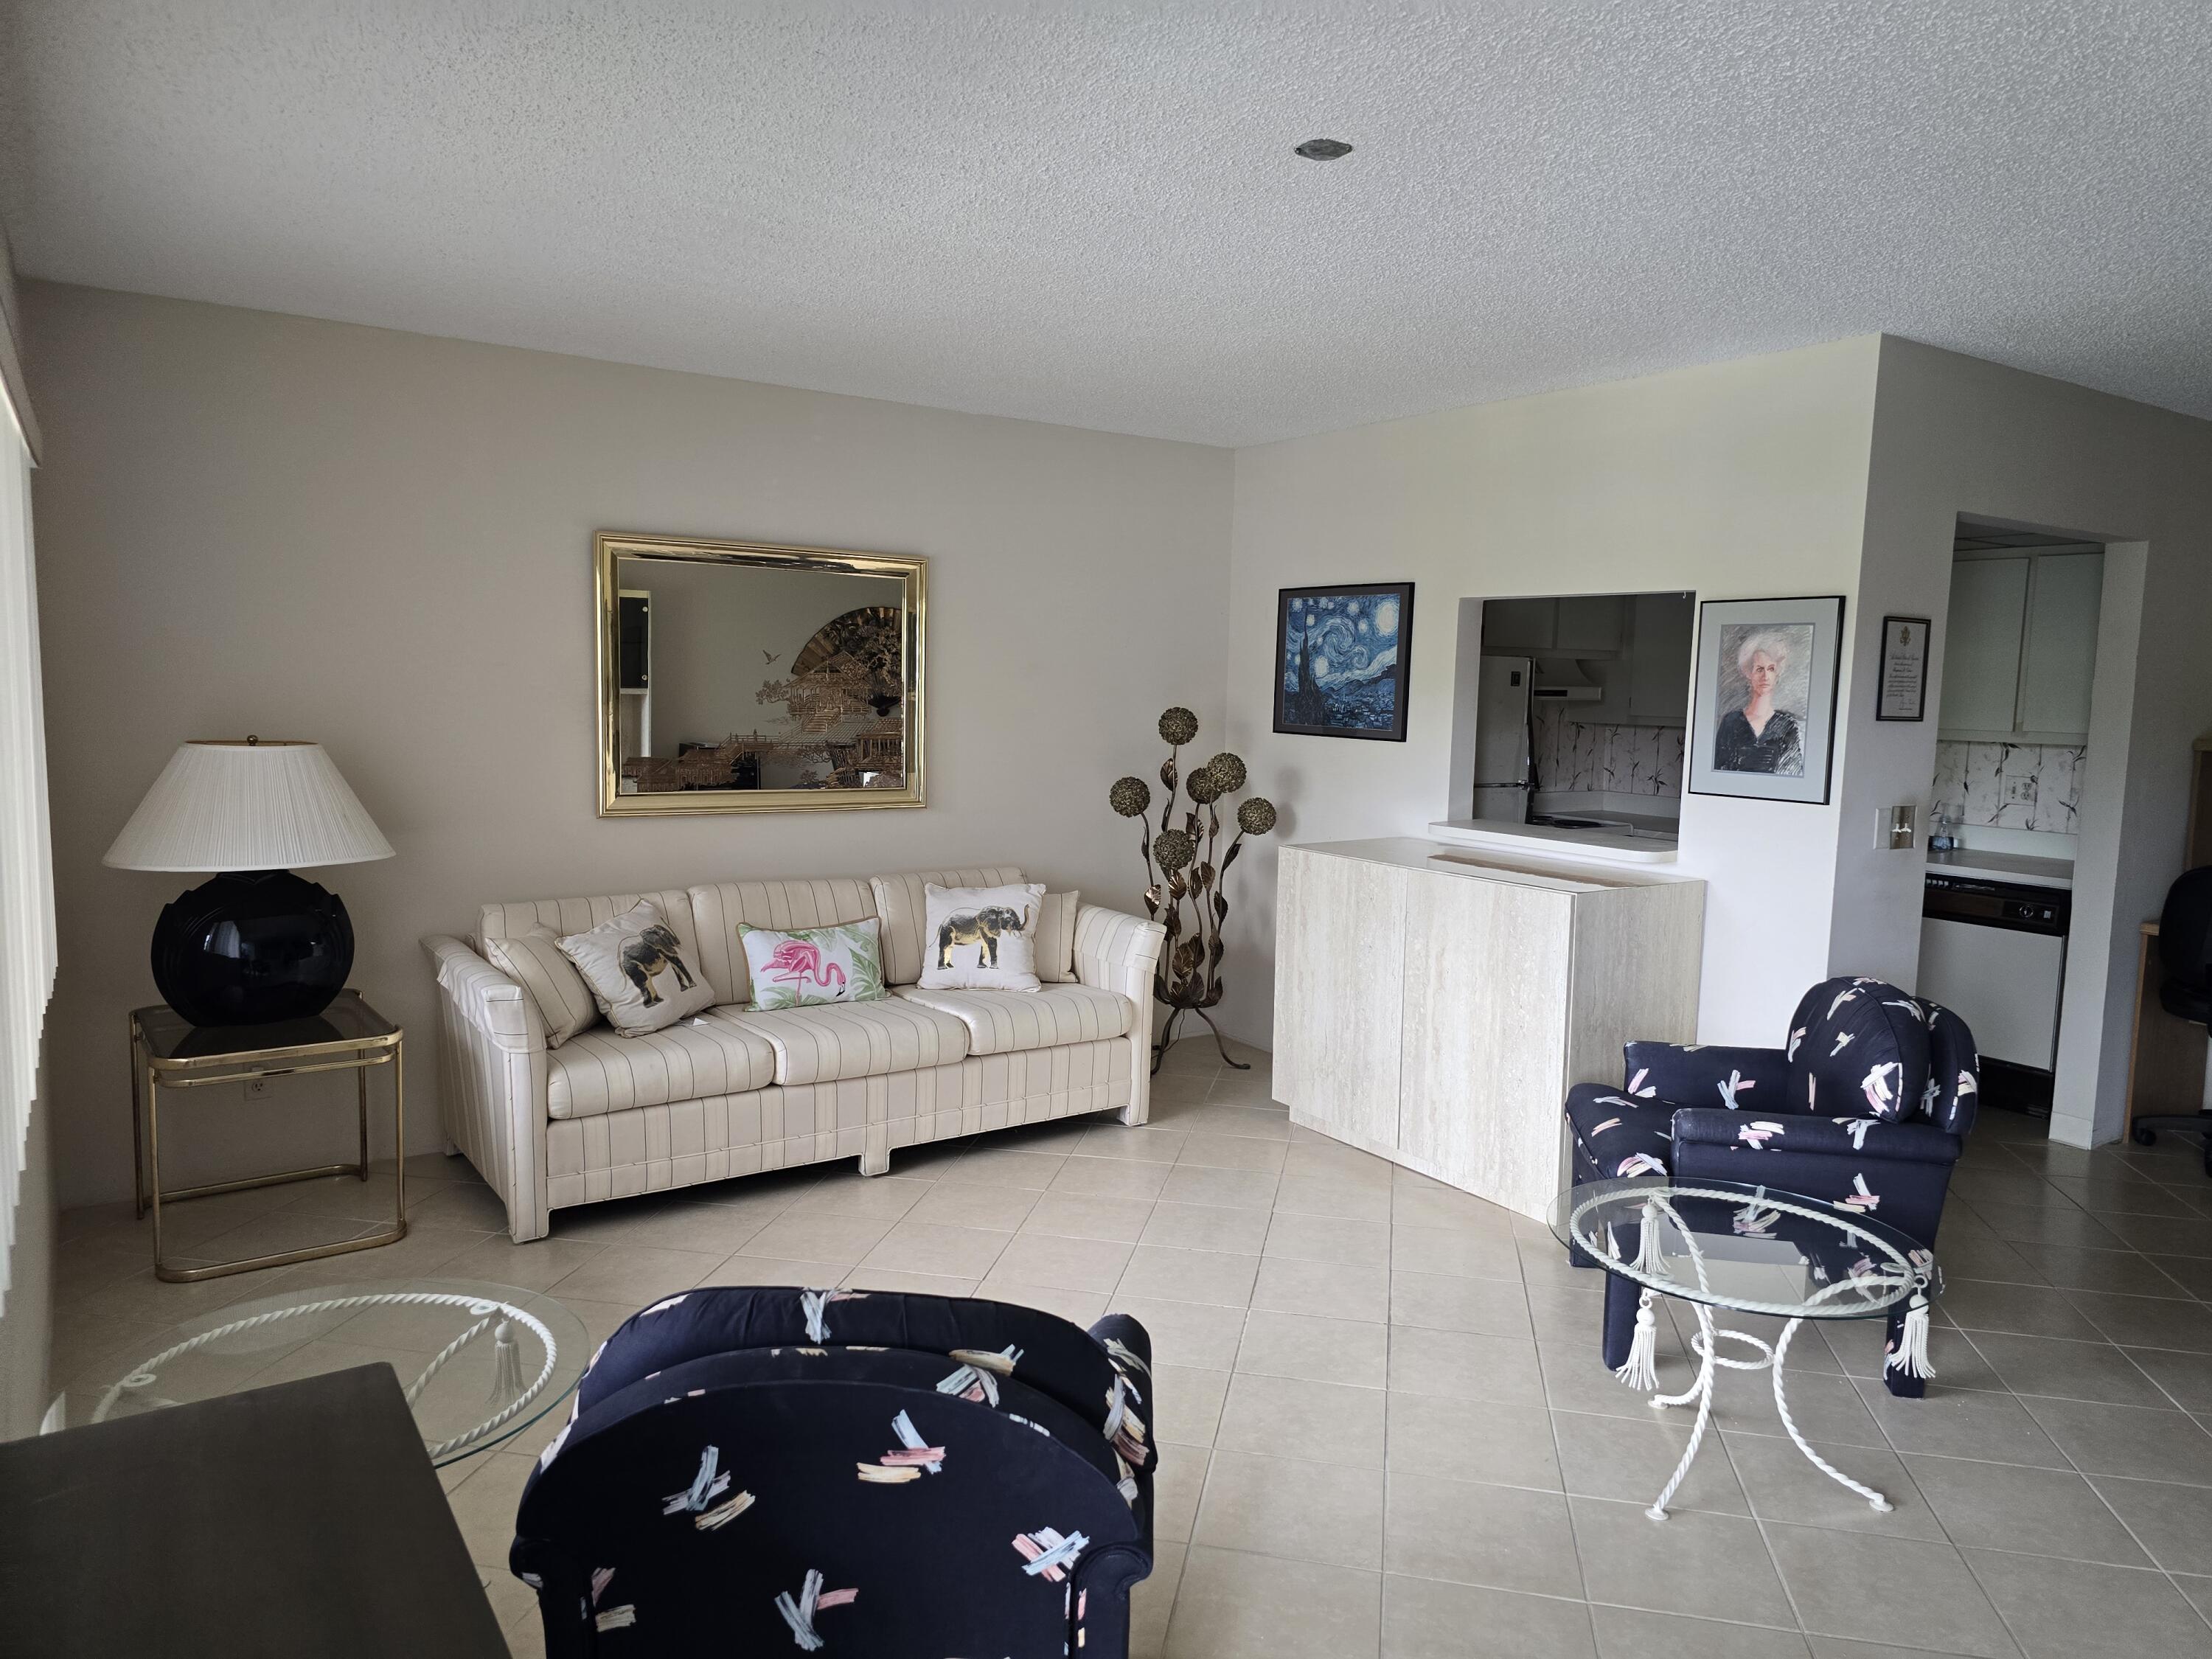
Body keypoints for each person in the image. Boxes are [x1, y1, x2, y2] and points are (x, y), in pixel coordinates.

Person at [1713, 630, 1803, 774]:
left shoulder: (1787, 726)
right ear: (1749, 673)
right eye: (1760, 669)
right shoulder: (1731, 722)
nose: (1766, 676)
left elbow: (1792, 775)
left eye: (1771, 669)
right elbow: (1718, 771)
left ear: (1777, 673)